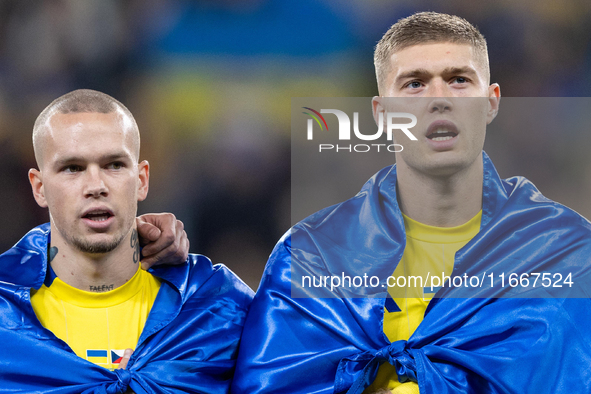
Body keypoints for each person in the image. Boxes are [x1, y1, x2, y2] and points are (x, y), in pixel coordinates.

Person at [232, 12, 591, 394]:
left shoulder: (566, 250)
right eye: (415, 84)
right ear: (382, 114)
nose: (439, 100)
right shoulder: (310, 256)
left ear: (491, 102)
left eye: (458, 80)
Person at [0, 89, 253, 393]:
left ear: (142, 179)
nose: (96, 186)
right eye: (72, 168)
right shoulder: (5, 314)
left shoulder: (219, 310)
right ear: (39, 187)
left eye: (114, 165)